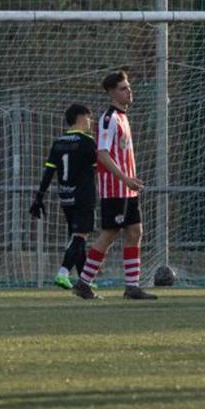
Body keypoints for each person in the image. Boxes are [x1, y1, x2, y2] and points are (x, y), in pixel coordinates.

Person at [72, 71, 156, 300]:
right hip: (115, 188)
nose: (129, 91)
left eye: (128, 87)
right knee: (109, 234)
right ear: (111, 93)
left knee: (135, 231)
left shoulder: (123, 117)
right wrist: (124, 178)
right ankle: (83, 282)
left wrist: (130, 179)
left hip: (127, 188)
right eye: (123, 88)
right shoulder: (108, 119)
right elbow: (102, 154)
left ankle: (132, 286)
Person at [31, 104, 97, 289]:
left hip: (65, 196)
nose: (90, 122)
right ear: (82, 118)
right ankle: (63, 272)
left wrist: (39, 197)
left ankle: (85, 281)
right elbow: (101, 166)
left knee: (76, 237)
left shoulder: (58, 141)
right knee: (79, 236)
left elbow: (48, 172)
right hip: (83, 196)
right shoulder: (87, 141)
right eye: (89, 118)